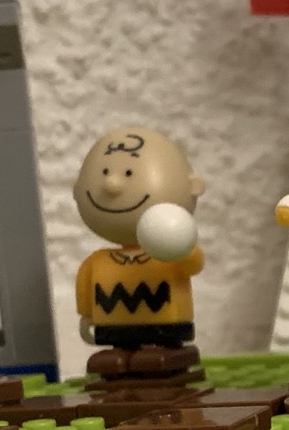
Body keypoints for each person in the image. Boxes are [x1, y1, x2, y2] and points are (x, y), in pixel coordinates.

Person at [71, 126, 205, 348]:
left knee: (159, 360)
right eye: (105, 172)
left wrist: (181, 245)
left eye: (128, 173)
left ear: (192, 187)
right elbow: (85, 288)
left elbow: (193, 263)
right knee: (113, 362)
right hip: (113, 329)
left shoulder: (170, 254)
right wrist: (86, 315)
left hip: (165, 329)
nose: (112, 185)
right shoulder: (98, 262)